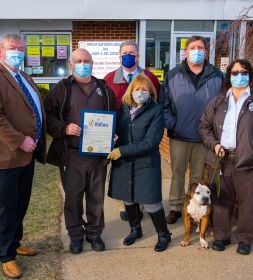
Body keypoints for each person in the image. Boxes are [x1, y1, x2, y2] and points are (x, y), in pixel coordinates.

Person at [0, 33, 46, 279]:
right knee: (4, 208)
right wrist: (19, 139)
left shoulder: (23, 76)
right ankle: (7, 256)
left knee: (19, 205)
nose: (17, 52)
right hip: (3, 157)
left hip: (25, 156)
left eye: (20, 49)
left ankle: (15, 243)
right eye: (12, 48)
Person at [199, 59, 253, 255]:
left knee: (247, 204)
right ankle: (221, 236)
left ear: (250, 75)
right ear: (229, 76)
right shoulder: (219, 101)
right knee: (220, 202)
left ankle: (245, 239)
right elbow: (204, 126)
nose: (239, 76)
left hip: (249, 163)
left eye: (243, 72)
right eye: (234, 73)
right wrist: (215, 144)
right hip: (221, 160)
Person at [44, 48, 117, 254]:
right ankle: (75, 235)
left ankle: (94, 233)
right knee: (73, 198)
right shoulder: (62, 89)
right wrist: (64, 128)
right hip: (72, 153)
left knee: (96, 197)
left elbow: (115, 116)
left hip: (97, 155)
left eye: (87, 61)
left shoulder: (103, 88)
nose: (83, 64)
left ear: (92, 64)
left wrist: (114, 134)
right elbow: (47, 117)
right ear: (71, 64)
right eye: (79, 61)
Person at [163, 35, 223, 224]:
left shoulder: (218, 76)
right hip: (179, 136)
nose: (196, 51)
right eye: (192, 48)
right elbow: (164, 105)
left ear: (206, 52)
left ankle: (195, 208)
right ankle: (175, 206)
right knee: (177, 173)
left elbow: (223, 106)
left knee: (198, 176)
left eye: (200, 48)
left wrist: (214, 130)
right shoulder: (173, 74)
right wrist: (173, 124)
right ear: (186, 52)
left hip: (204, 138)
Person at [107, 74, 171, 252]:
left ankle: (164, 234)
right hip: (124, 163)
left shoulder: (156, 111)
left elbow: (151, 142)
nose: (140, 92)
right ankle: (135, 230)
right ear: (131, 91)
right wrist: (112, 139)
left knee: (151, 202)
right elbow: (118, 131)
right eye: (137, 89)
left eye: (144, 89)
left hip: (145, 163)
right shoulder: (124, 109)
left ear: (150, 92)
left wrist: (122, 150)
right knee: (128, 199)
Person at [104, 40, 161, 221]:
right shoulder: (109, 78)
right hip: (120, 133)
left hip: (144, 131)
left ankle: (142, 202)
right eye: (124, 53)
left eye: (132, 53)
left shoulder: (149, 78)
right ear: (119, 57)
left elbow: (157, 102)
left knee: (143, 172)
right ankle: (126, 204)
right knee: (123, 171)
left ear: (138, 56)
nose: (128, 56)